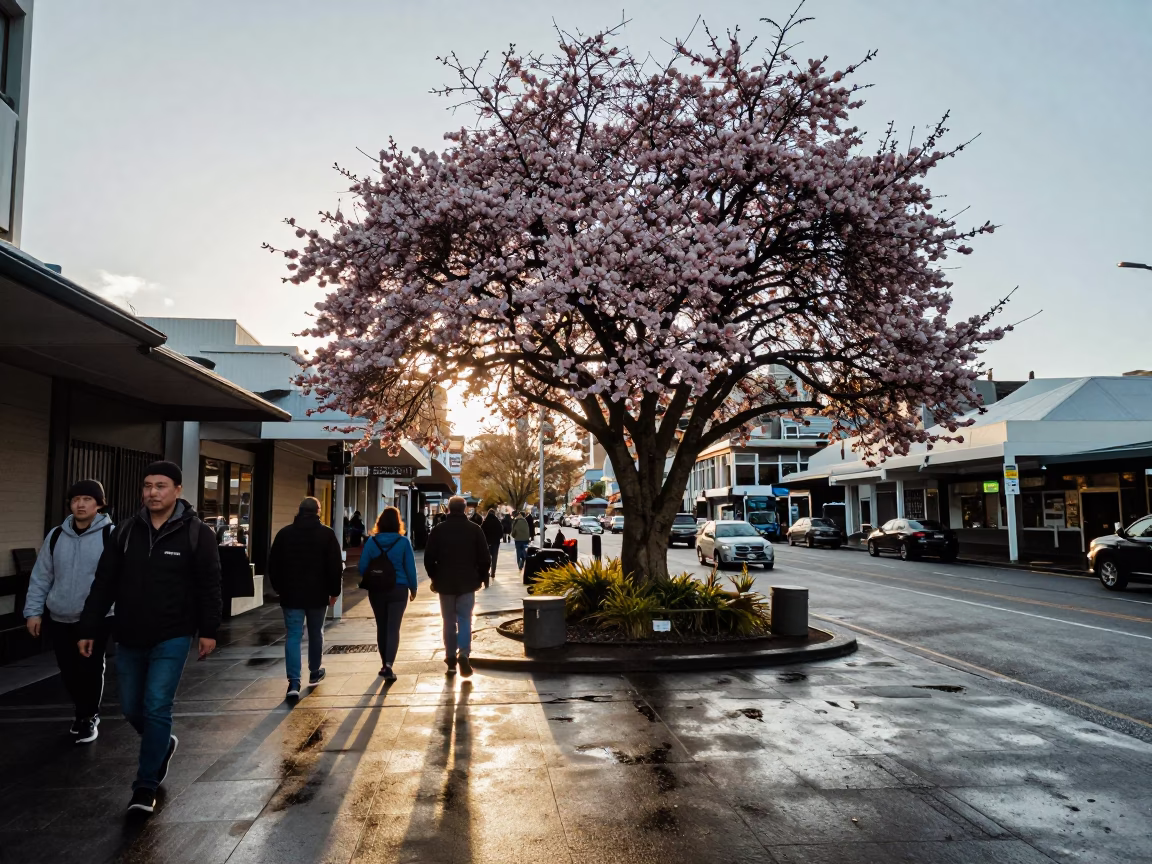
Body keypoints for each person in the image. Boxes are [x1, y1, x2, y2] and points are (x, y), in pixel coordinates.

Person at [78, 461, 220, 816]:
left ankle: (144, 786)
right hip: (129, 633)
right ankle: (161, 744)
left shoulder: (197, 533)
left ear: (177, 490)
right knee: (130, 707)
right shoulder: (125, 532)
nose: (152, 492)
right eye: (147, 486)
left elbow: (209, 585)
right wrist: (89, 627)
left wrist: (209, 630)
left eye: (160, 486)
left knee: (157, 705)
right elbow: (103, 583)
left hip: (173, 634)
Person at [24, 480, 115, 744]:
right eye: (76, 499)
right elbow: (41, 577)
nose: (81, 504)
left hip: (97, 617)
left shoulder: (111, 535)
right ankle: (82, 711)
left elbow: (119, 578)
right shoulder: (55, 536)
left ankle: (87, 717)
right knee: (68, 669)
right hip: (59, 616)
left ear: (99, 504)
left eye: (88, 499)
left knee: (90, 666)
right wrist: (33, 612)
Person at [267, 497, 342, 699]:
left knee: (293, 635)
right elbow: (335, 566)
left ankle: (293, 682)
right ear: (318, 511)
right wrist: (334, 591)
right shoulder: (326, 535)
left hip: (291, 594)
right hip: (318, 594)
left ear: (299, 511)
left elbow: (273, 565)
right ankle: (315, 671)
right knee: (316, 632)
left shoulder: (285, 534)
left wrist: (279, 588)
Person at [423, 496, 490, 677]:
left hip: (445, 583)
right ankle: (464, 653)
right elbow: (485, 557)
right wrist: (482, 576)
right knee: (465, 619)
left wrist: (434, 576)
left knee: (448, 621)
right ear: (465, 509)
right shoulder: (474, 530)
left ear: (449, 509)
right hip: (467, 582)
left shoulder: (438, 530)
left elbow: (429, 557)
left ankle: (451, 656)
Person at [358, 506, 418, 682]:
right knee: (393, 628)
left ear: (380, 522)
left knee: (381, 626)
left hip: (377, 590)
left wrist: (375, 576)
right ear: (398, 522)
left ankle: (384, 663)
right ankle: (389, 665)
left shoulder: (371, 542)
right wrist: (413, 588)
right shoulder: (403, 542)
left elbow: (362, 567)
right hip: (399, 589)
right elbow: (410, 568)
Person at [481, 508, 503, 581]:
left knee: (487, 558)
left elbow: (482, 533)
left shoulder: (485, 522)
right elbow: (501, 533)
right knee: (494, 557)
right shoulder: (497, 522)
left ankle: (486, 571)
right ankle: (493, 572)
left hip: (487, 543)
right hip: (495, 542)